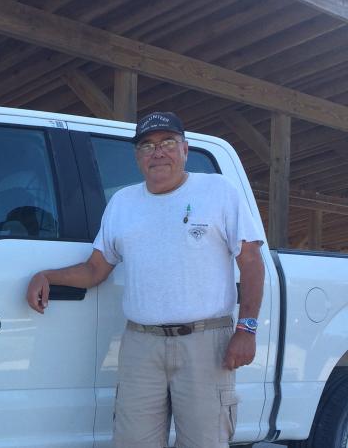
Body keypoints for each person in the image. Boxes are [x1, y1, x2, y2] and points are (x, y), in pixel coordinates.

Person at [25, 111, 265, 448]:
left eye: (168, 142)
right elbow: (96, 269)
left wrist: (247, 329)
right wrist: (47, 275)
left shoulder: (218, 191)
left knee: (204, 443)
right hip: (141, 344)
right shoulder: (123, 203)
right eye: (147, 146)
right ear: (138, 157)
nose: (158, 152)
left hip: (205, 342)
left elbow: (252, 261)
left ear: (185, 149)